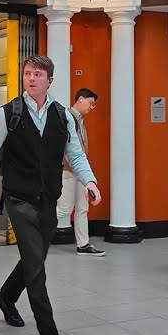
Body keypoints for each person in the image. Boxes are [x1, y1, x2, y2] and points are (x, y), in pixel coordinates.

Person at [0, 55, 102, 335]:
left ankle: (5, 298)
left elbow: (74, 153)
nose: (31, 78)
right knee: (36, 267)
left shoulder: (62, 116)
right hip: (19, 200)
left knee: (34, 259)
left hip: (48, 199)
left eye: (37, 74)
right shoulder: (8, 114)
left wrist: (89, 181)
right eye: (27, 73)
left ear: (50, 79)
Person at [55, 88, 104, 257]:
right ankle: (33, 236)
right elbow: (64, 148)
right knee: (64, 209)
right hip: (68, 171)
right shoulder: (67, 118)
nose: (92, 107)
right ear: (81, 99)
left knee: (82, 208)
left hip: (79, 173)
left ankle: (83, 245)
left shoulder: (80, 120)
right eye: (91, 103)